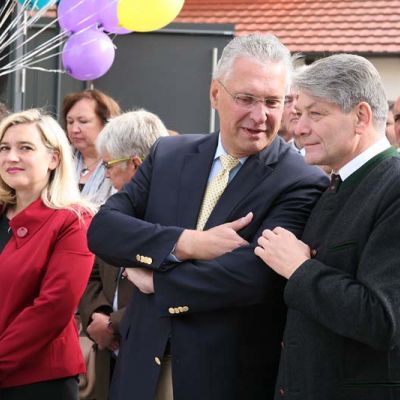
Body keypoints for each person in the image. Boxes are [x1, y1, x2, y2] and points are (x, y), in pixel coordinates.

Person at [88, 33, 328, 400]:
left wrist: (158, 281)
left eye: (272, 101)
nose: (260, 116)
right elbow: (104, 230)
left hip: (223, 378)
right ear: (215, 94)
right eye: (246, 99)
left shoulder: (301, 180)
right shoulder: (168, 155)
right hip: (140, 369)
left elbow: (253, 276)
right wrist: (185, 243)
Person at [255, 54, 400, 400]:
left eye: (315, 114)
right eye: (298, 114)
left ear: (361, 116)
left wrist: (299, 268)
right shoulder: (336, 185)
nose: (299, 128)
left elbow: (383, 320)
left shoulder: (393, 187)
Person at [0, 109, 96, 399]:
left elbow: (53, 307)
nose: (11, 157)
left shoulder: (73, 220)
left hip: (37, 382)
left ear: (54, 158)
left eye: (25, 148)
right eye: (4, 148)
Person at [79, 109, 169, 400]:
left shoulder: (177, 216)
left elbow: (174, 288)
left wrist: (114, 323)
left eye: (108, 164)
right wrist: (97, 315)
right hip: (109, 356)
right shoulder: (115, 212)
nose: (105, 174)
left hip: (152, 357)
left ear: (136, 164)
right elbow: (92, 270)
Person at [62, 89, 121, 205]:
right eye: (70, 122)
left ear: (106, 123)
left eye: (83, 121)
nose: (74, 129)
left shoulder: (121, 163)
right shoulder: (59, 159)